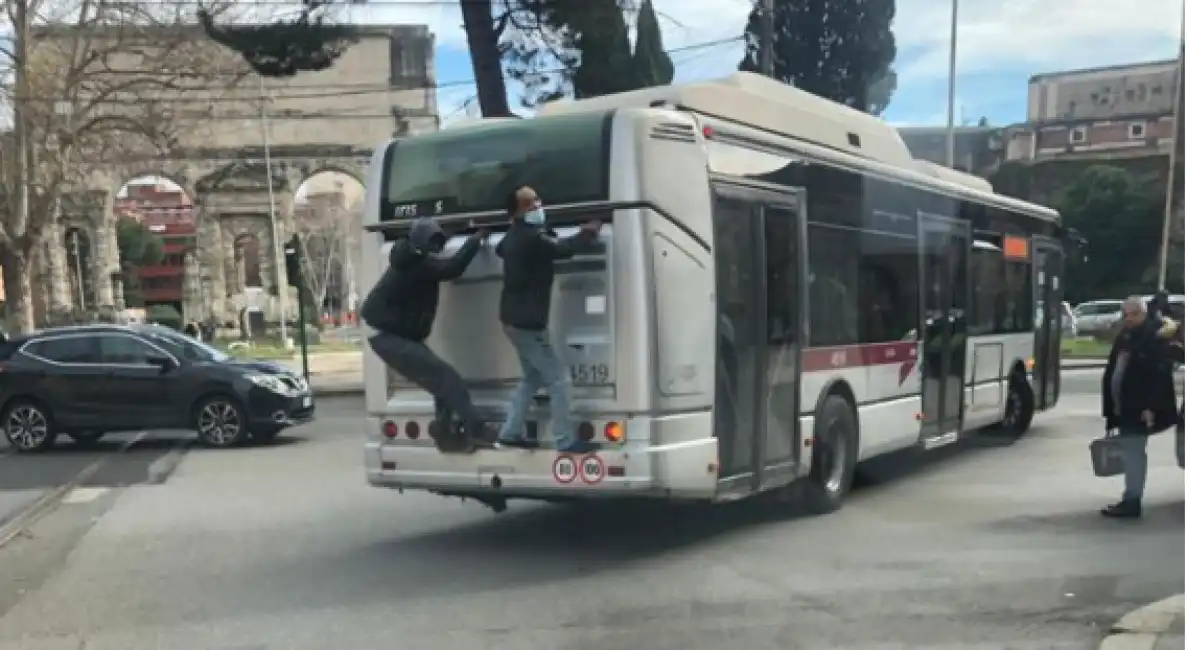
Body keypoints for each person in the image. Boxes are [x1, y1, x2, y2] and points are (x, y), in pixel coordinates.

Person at [360, 217, 495, 452]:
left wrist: (453, 232)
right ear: (423, 243)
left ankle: (444, 434)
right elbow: (452, 267)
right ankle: (478, 429)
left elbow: (435, 255)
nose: (437, 247)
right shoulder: (418, 264)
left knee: (440, 382)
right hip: (391, 339)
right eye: (434, 241)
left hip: (396, 337)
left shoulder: (412, 256)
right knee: (450, 380)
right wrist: (476, 239)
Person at [495, 185, 601, 452]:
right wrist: (588, 232)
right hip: (529, 323)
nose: (537, 206)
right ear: (517, 210)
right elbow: (563, 248)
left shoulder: (512, 237)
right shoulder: (531, 238)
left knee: (532, 377)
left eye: (537, 200)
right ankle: (565, 439)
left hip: (512, 319)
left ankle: (509, 433)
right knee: (558, 380)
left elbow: (503, 249)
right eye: (529, 203)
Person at [1099, 296, 1180, 518]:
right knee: (1130, 452)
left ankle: (1132, 500)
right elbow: (1115, 369)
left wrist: (1150, 407)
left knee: (1134, 453)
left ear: (1143, 314)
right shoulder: (1126, 336)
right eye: (1125, 314)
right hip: (1124, 406)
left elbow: (1159, 375)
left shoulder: (1152, 338)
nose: (1128, 318)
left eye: (1133, 314)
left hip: (1139, 407)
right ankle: (1131, 497)